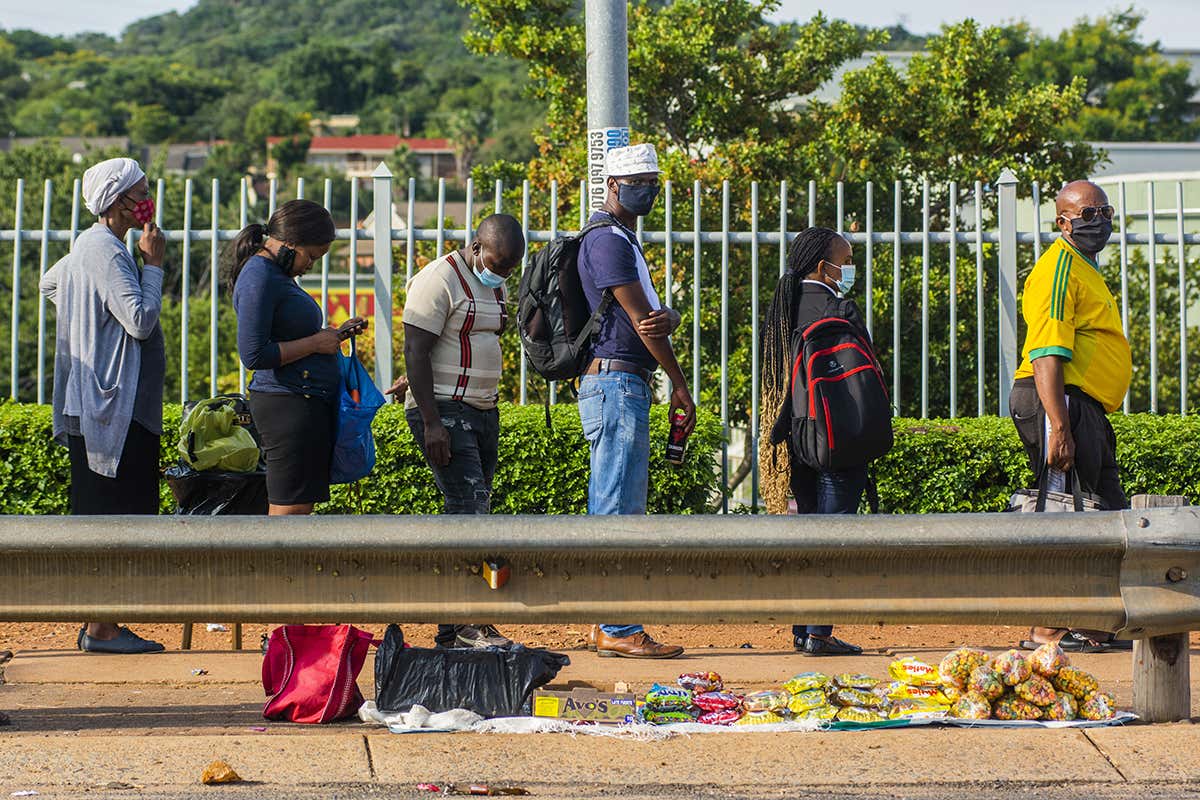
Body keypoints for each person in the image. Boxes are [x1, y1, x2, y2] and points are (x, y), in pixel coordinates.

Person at [39, 157, 167, 654]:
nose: (148, 202)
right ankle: (102, 628)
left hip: (111, 403)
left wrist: (90, 317)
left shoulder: (94, 246)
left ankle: (103, 621)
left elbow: (52, 284)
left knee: (113, 510)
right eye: (143, 192)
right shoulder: (108, 251)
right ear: (119, 202)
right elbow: (139, 320)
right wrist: (152, 266)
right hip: (113, 404)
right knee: (117, 516)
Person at [577, 143, 695, 659]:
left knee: (624, 503)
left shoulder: (622, 239)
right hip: (617, 384)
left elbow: (650, 316)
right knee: (617, 508)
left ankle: (614, 624)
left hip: (622, 384)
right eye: (637, 183)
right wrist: (680, 383)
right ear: (611, 186)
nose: (646, 190)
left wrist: (666, 314)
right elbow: (645, 323)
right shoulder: (608, 241)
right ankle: (618, 628)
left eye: (653, 183)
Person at [391, 214, 525, 649]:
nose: (502, 272)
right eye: (497, 261)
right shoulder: (438, 280)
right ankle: (464, 623)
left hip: (483, 410)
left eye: (510, 266)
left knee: (474, 510)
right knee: (468, 510)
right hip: (445, 411)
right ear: (475, 246)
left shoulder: (495, 284)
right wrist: (431, 421)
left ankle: (459, 624)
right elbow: (415, 349)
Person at [1010, 180, 1133, 653]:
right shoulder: (1057, 268)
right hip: (1058, 402)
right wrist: (1058, 425)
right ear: (1063, 222)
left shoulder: (1085, 267)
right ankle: (1047, 629)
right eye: (1087, 215)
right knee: (1066, 516)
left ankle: (1092, 621)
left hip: (1084, 406)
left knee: (1106, 513)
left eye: (1105, 212)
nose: (1098, 221)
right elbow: (1046, 353)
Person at [759, 227, 874, 657]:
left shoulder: (785, 306)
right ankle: (820, 634)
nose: (848, 268)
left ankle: (802, 628)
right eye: (844, 261)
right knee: (834, 535)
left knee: (808, 533)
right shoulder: (838, 308)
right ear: (823, 266)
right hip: (839, 438)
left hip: (798, 435)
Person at [230, 200, 367, 516]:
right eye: (312, 256)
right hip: (286, 404)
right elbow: (253, 354)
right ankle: (277, 567)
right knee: (289, 514)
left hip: (303, 402)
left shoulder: (273, 275)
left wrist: (335, 335)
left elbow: (288, 336)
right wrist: (316, 344)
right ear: (290, 242)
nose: (311, 265)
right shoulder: (259, 276)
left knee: (299, 511)